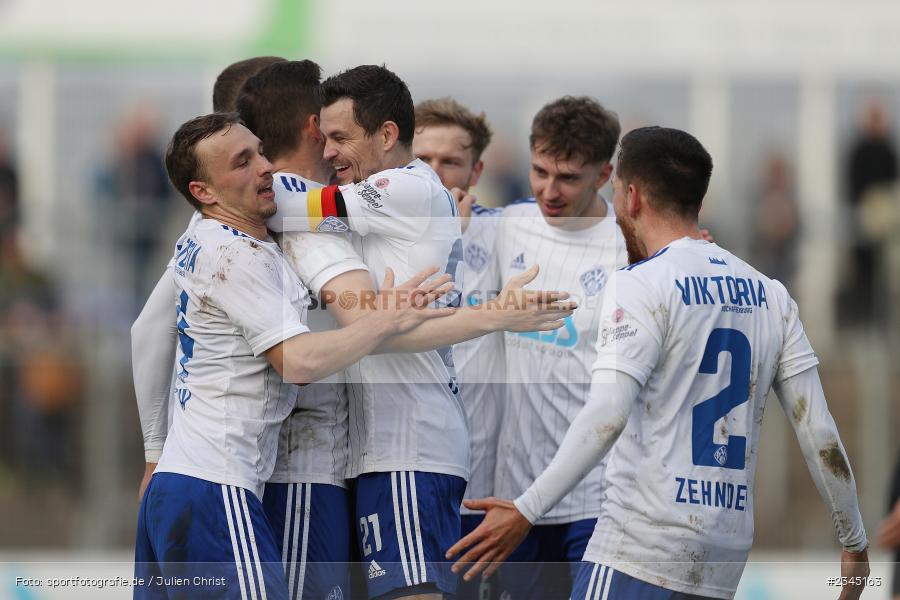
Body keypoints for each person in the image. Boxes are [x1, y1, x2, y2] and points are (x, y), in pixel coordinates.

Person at [448, 126, 871, 600]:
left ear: (632, 197)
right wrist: (854, 540)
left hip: (638, 546)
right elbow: (818, 430)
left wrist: (526, 509)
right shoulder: (772, 294)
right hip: (722, 558)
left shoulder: (640, 284)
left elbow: (607, 415)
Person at [268, 65, 576, 600]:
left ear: (386, 135)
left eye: (341, 138)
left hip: (409, 443)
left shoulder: (399, 187)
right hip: (388, 446)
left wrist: (239, 173)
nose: (331, 153)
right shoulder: (390, 196)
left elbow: (284, 206)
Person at [133, 112, 449, 600]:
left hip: (181, 481)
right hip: (216, 486)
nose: (265, 168)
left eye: (259, 151)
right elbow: (298, 362)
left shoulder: (203, 237)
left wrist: (155, 453)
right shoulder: (236, 255)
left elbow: (146, 328)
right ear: (205, 192)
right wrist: (383, 320)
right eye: (243, 162)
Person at [485, 96, 626, 600]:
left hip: (600, 495)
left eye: (567, 177)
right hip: (517, 495)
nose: (549, 189)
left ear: (603, 174)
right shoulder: (505, 225)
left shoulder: (629, 247)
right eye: (540, 171)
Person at [413, 97, 503, 600]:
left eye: (450, 162)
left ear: (477, 170)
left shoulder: (505, 230)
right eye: (422, 159)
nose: (435, 173)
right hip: (405, 465)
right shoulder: (383, 236)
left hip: (477, 486)